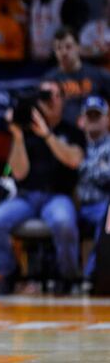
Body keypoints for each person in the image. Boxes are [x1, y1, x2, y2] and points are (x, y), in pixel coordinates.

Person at [0, 81, 85, 295]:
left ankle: (67, 276)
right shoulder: (25, 131)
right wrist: (18, 137)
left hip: (58, 196)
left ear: (62, 100)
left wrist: (47, 134)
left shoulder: (72, 130)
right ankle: (10, 274)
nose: (48, 100)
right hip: (26, 197)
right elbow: (17, 173)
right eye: (43, 95)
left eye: (53, 95)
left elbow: (74, 160)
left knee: (64, 222)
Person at [44, 27, 110, 126]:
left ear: (78, 47)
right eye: (58, 48)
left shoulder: (96, 74)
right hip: (64, 133)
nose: (64, 52)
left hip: (95, 129)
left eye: (68, 47)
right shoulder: (49, 80)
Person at [76, 96, 110, 280]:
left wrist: (82, 166)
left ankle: (92, 276)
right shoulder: (75, 142)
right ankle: (67, 276)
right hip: (76, 204)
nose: (93, 120)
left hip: (102, 204)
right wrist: (98, 167)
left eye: (98, 115)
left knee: (106, 220)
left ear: (107, 119)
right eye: (89, 116)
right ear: (82, 119)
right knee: (61, 219)